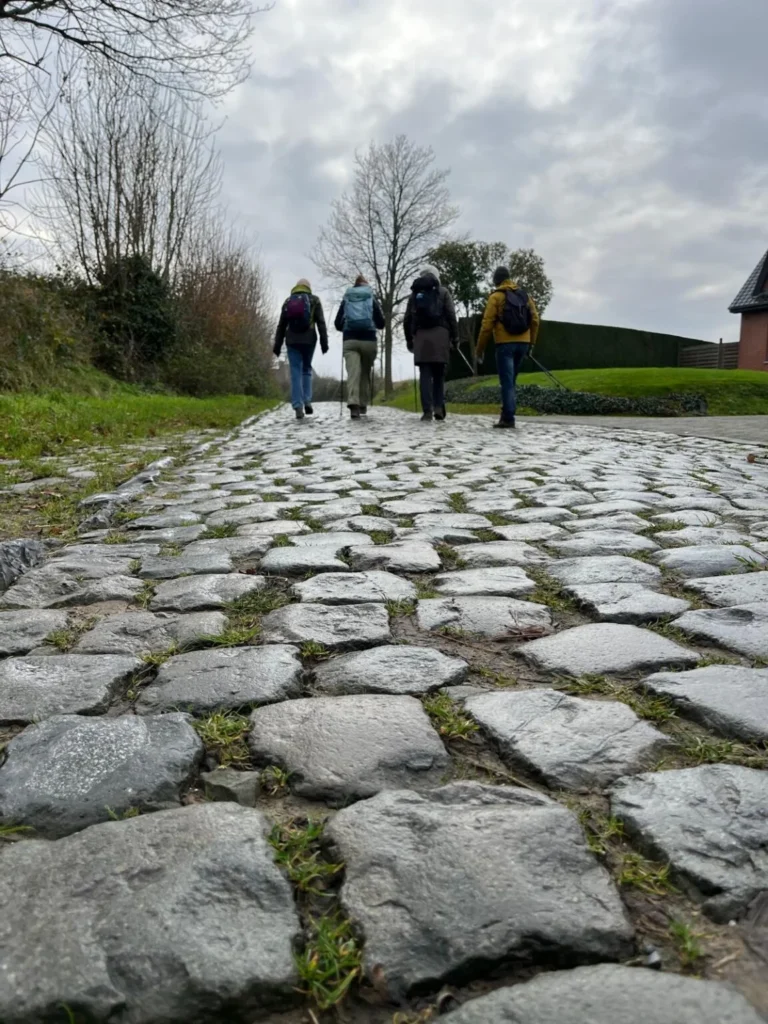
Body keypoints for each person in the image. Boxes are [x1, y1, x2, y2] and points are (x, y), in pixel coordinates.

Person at [476, 266, 540, 429]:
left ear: (496, 280)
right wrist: (531, 343)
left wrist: (480, 349)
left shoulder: (496, 297)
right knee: (511, 381)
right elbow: (535, 320)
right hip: (523, 343)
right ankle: (506, 414)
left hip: (505, 344)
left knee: (507, 382)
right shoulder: (524, 295)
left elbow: (486, 325)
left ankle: (508, 418)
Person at [404, 264, 458, 422]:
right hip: (441, 336)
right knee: (439, 375)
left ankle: (427, 411)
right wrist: (455, 337)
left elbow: (407, 319)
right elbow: (451, 315)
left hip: (421, 337)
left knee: (425, 375)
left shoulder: (414, 295)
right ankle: (439, 407)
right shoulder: (443, 292)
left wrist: (409, 339)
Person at [274, 278, 328, 420]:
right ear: (309, 287)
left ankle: (298, 406)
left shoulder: (287, 301)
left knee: (295, 372)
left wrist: (277, 345)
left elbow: (281, 325)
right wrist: (324, 343)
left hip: (292, 340)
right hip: (309, 340)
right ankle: (307, 400)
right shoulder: (314, 300)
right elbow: (321, 322)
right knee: (306, 369)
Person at [334, 274, 385, 419]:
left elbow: (337, 324)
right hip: (369, 341)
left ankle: (354, 405)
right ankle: (363, 404)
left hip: (350, 341)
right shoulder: (371, 297)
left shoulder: (347, 298)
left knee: (353, 373)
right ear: (366, 285)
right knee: (364, 372)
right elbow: (381, 323)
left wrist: (346, 327)